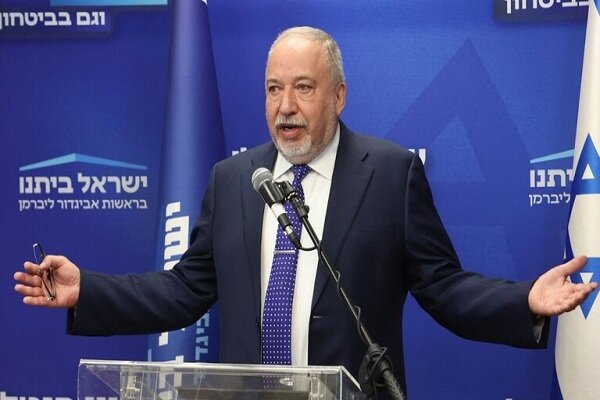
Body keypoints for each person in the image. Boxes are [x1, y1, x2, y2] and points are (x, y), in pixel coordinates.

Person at [14, 26, 596, 397]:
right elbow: (183, 291)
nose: (285, 107)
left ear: (338, 96)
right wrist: (87, 290)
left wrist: (524, 300)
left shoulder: (390, 174)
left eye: (303, 88)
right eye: (273, 89)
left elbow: (444, 288)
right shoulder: (234, 180)